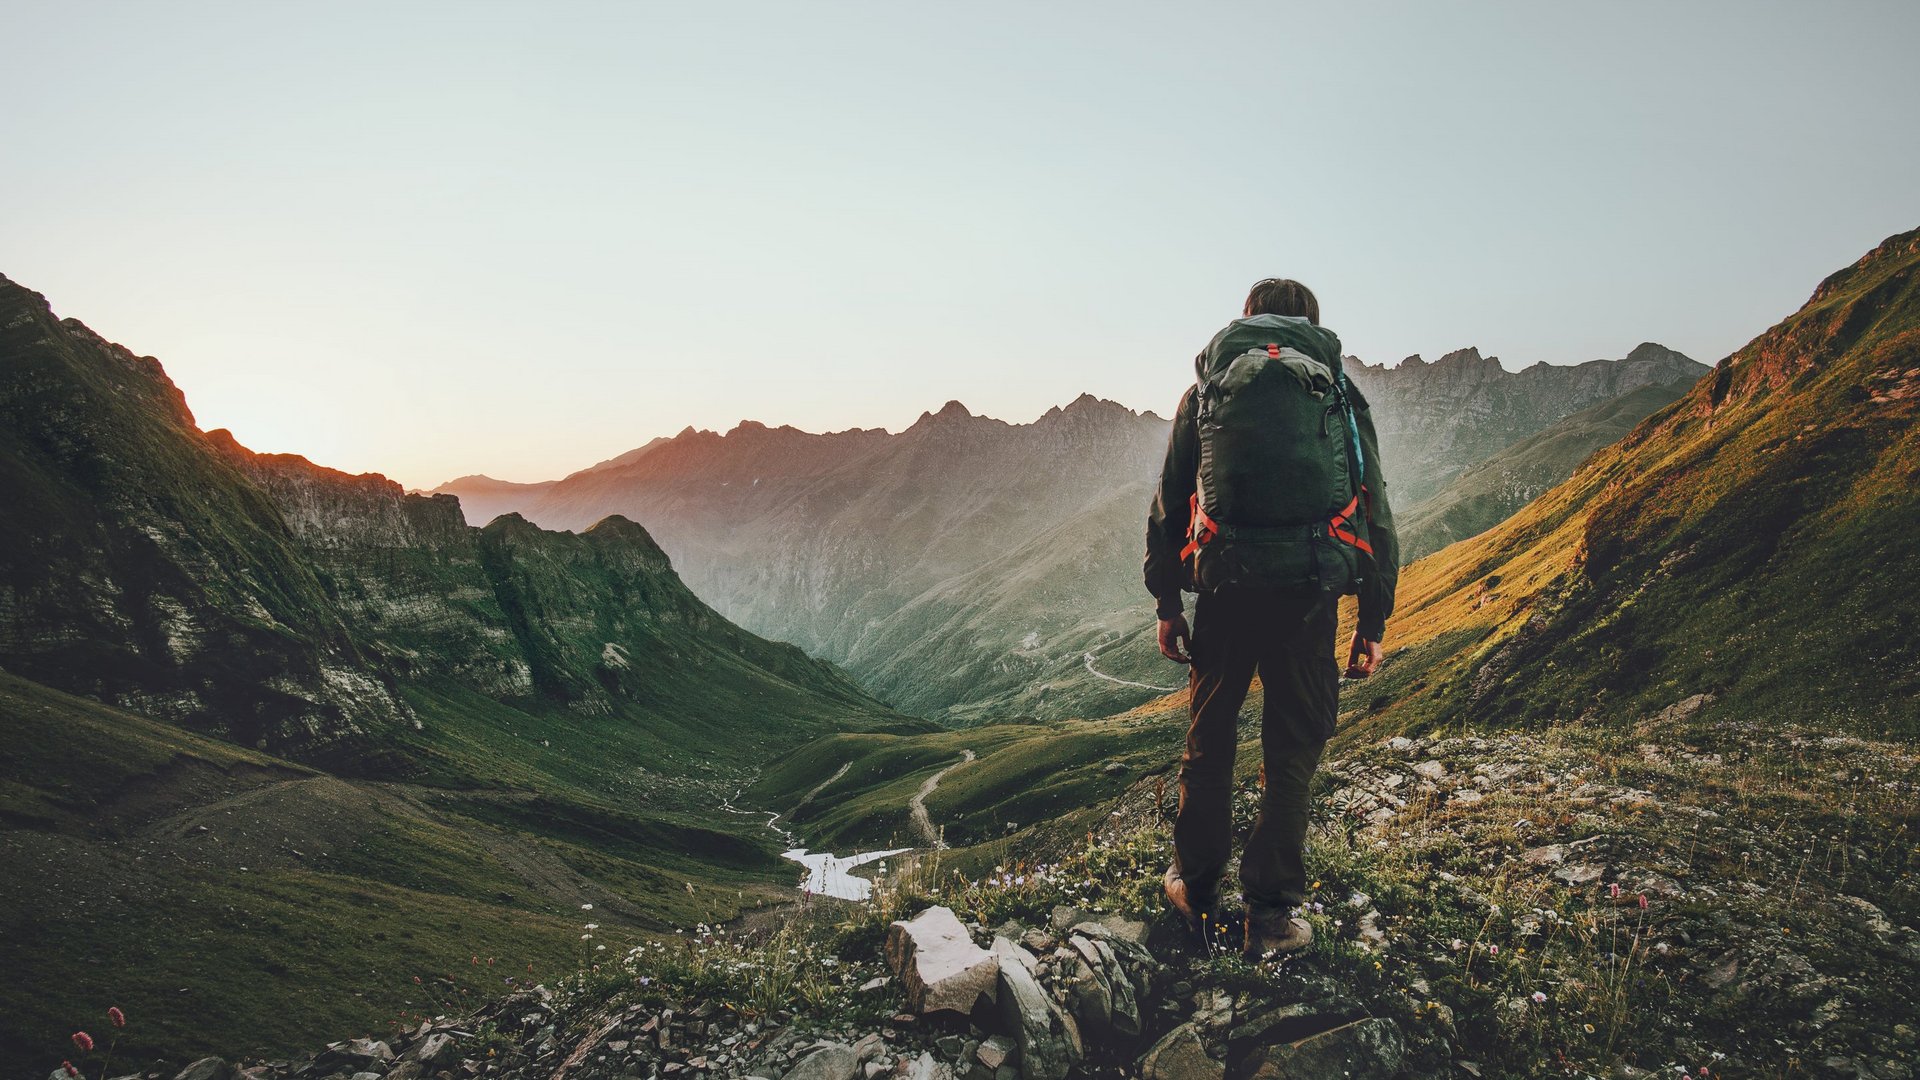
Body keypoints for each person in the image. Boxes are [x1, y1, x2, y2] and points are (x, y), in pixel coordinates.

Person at [1143, 277, 1398, 958]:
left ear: (1247, 321)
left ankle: (1196, 890)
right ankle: (1271, 917)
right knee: (1291, 754)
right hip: (1309, 598)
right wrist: (1373, 620)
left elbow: (1170, 504)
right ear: (1312, 324)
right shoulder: (1340, 394)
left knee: (1210, 744)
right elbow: (1375, 507)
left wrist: (1168, 604)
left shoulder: (1207, 392)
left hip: (1225, 591)